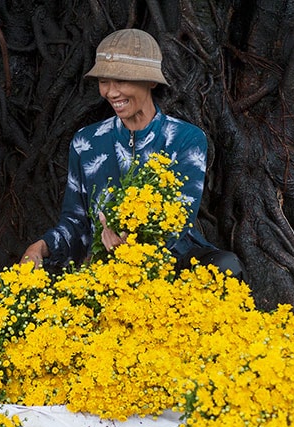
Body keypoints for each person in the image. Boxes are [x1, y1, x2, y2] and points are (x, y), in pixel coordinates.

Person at [20, 29, 245, 279]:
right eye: (104, 82)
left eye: (122, 80)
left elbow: (178, 222)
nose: (111, 92)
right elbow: (75, 222)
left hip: (172, 260)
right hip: (105, 266)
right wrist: (40, 247)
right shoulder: (86, 142)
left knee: (225, 267)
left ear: (151, 81)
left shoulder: (186, 139)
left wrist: (134, 246)